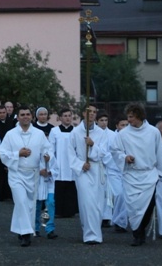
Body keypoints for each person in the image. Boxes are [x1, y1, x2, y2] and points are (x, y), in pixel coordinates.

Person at [112, 103, 162, 247]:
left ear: (139, 116)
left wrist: (160, 173)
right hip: (131, 175)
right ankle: (137, 235)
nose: (129, 120)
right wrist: (125, 157)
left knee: (148, 207)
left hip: (149, 175)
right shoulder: (123, 134)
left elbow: (159, 152)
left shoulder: (153, 132)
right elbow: (115, 151)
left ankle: (141, 229)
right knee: (133, 209)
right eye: (128, 117)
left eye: (131, 117)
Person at [0, 106, 51, 247]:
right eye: (22, 114)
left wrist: (46, 158)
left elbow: (47, 149)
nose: (25, 117)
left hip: (33, 173)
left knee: (28, 204)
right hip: (16, 173)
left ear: (32, 117)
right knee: (21, 201)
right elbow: (2, 153)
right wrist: (18, 154)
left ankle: (21, 230)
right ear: (18, 117)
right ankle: (26, 234)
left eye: (28, 114)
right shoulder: (10, 134)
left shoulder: (39, 134)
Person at [68, 105, 108, 245]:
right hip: (84, 171)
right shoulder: (75, 132)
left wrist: (92, 145)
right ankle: (91, 235)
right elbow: (70, 154)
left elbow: (103, 152)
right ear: (83, 113)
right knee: (87, 202)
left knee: (97, 203)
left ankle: (93, 230)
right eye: (89, 112)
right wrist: (80, 164)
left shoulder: (101, 133)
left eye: (94, 112)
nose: (92, 114)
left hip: (96, 169)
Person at [50, 108, 79, 218]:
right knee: (59, 187)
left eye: (69, 115)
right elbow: (51, 149)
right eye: (65, 116)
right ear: (60, 118)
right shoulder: (55, 131)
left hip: (72, 164)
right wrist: (53, 163)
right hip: (59, 164)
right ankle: (59, 211)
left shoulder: (76, 131)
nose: (68, 118)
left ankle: (70, 211)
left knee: (71, 187)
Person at [32, 107, 54, 237]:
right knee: (36, 204)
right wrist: (39, 170)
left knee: (49, 204)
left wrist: (49, 169)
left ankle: (48, 228)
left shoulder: (49, 148)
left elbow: (54, 160)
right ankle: (35, 227)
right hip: (37, 179)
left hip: (48, 180)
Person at [0, 105, 14, 202]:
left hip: (10, 151)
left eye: (3, 112)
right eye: (0, 113)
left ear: (6, 113)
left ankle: (9, 194)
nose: (2, 115)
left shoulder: (12, 123)